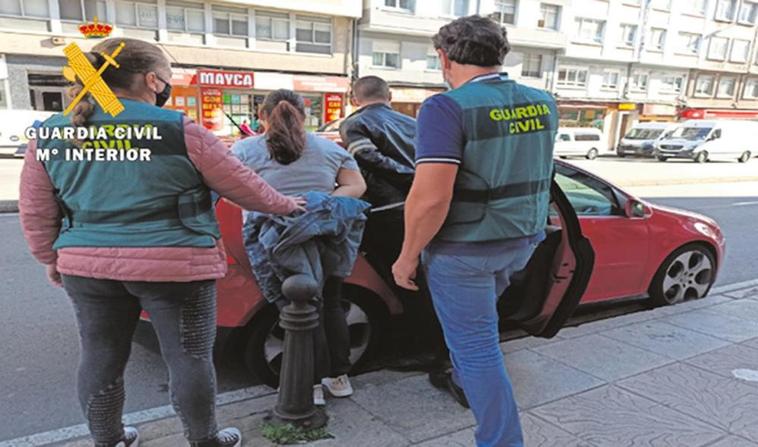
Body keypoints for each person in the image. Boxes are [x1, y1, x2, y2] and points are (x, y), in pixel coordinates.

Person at [19, 38, 303, 447]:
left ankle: (109, 438)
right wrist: (287, 205)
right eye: (166, 78)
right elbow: (246, 187)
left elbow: (35, 209)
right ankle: (204, 439)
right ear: (152, 80)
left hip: (85, 267)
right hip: (177, 267)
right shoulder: (178, 130)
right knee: (189, 359)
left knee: (100, 357)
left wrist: (50, 257)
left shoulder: (49, 133)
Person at [392, 16, 557, 447]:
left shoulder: (446, 107)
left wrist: (407, 256)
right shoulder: (544, 101)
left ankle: (501, 440)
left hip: (464, 249)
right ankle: (465, 378)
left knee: (477, 348)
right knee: (478, 334)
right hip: (522, 241)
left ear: (444, 58)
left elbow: (430, 198)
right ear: (500, 55)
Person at [232, 89, 367, 406]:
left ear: (262, 116)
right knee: (330, 305)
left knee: (295, 312)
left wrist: (280, 205)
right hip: (326, 235)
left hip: (275, 243)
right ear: (303, 116)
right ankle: (338, 377)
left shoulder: (244, 149)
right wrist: (317, 205)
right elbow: (357, 186)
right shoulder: (327, 148)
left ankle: (311, 385)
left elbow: (231, 192)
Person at [340, 76, 447, 371]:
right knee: (423, 281)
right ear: (389, 95)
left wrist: (408, 178)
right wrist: (420, 183)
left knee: (408, 284)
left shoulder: (354, 124)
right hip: (423, 210)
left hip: (388, 213)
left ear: (354, 98)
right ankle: (436, 344)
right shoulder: (412, 124)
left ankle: (430, 352)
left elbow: (365, 155)